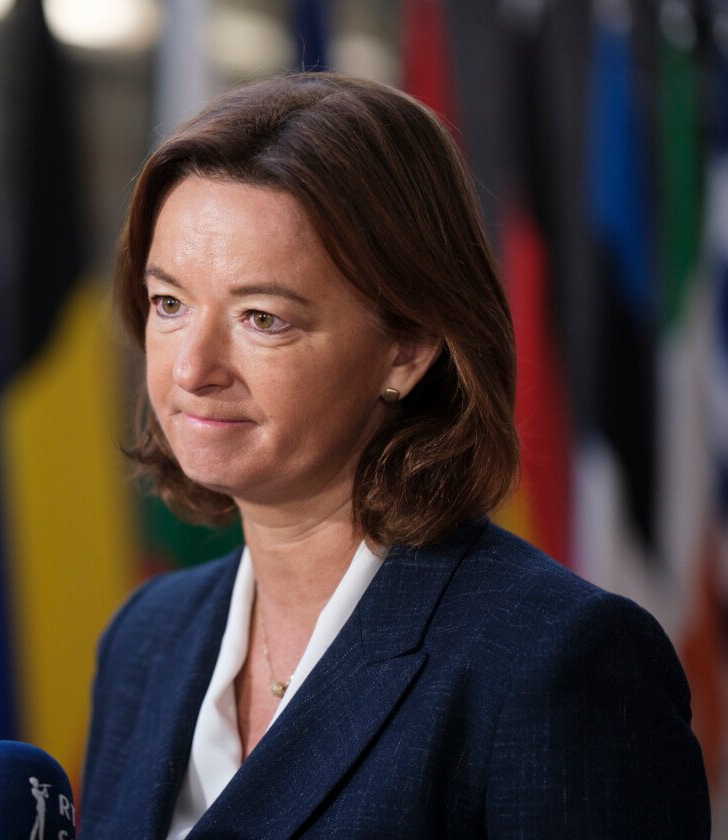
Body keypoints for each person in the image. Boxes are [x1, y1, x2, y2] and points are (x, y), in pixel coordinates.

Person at [79, 73, 709, 838]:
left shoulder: (557, 661)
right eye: (169, 303)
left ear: (408, 347)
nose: (191, 368)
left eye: (262, 317)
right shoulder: (146, 639)